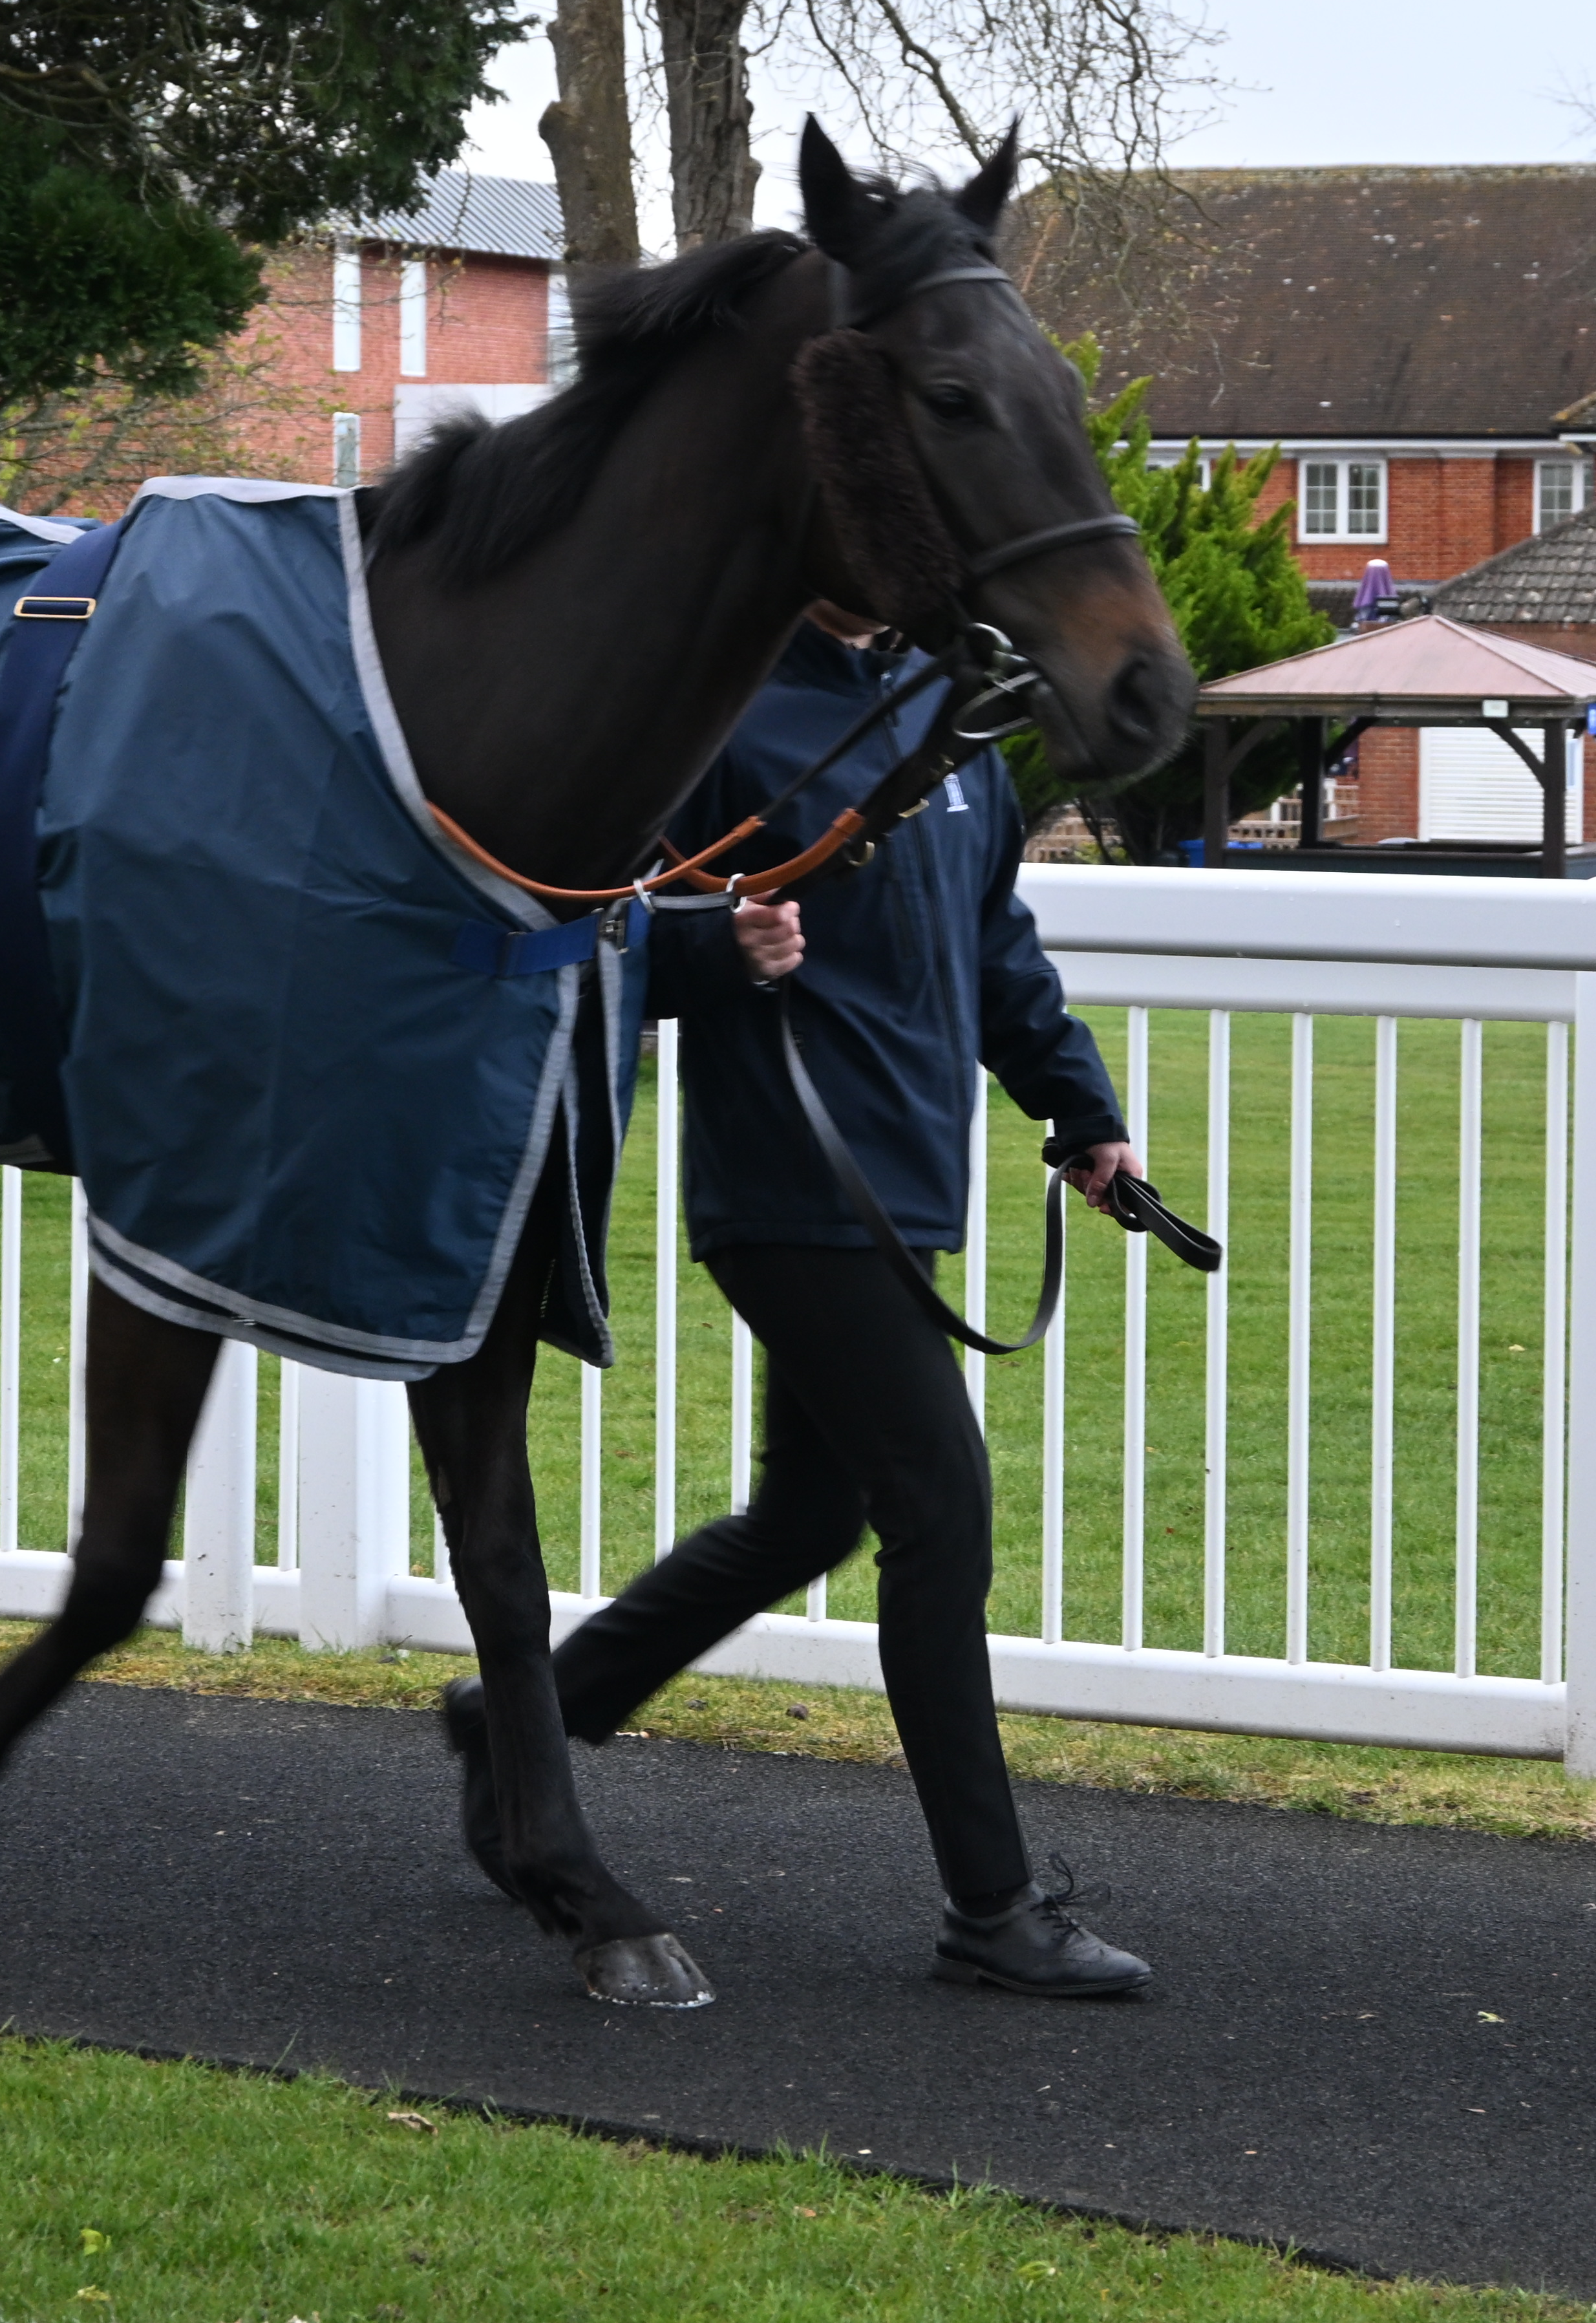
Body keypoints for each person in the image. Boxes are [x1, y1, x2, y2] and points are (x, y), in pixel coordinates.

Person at [447, 606, 1160, 1998]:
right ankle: (993, 1906)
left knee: (813, 1513)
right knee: (939, 1509)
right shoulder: (714, 704)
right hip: (789, 1181)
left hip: (908, 1179)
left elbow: (994, 935)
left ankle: (525, 1716)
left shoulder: (947, 701)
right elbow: (594, 922)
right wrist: (721, 947)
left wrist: (1077, 1104)